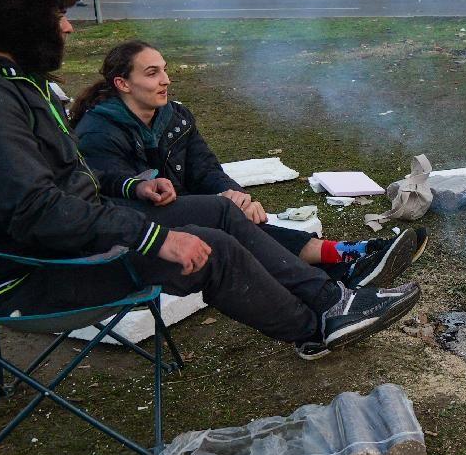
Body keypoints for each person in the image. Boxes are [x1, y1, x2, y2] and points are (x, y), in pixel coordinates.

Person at [0, 0, 418, 362]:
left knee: (219, 210)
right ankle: (316, 329)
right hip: (24, 271)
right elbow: (38, 211)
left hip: (66, 239)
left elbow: (63, 188)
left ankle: (336, 301)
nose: (67, 28)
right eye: (58, 14)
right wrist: (152, 235)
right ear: (20, 22)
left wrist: (131, 191)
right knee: (210, 247)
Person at [70, 39, 424, 289]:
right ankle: (344, 262)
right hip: (144, 232)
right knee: (231, 227)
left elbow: (204, 168)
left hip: (190, 212)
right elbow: (115, 196)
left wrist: (234, 193)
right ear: (123, 84)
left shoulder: (174, 117)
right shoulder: (99, 131)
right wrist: (215, 205)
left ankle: (347, 259)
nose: (165, 80)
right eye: (152, 73)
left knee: (238, 218)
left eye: (164, 70)